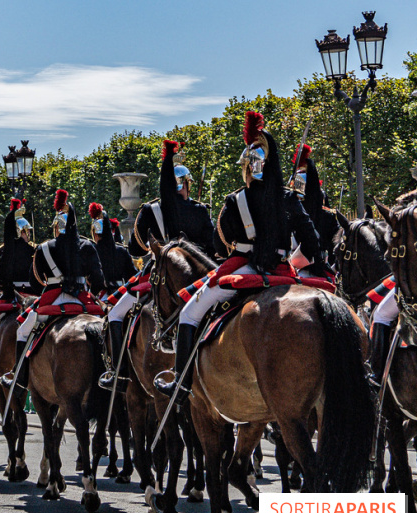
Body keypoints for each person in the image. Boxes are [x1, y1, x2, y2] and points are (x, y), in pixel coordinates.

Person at [155, 111, 323, 405]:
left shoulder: (236, 201)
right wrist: (288, 263)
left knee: (189, 314)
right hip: (285, 271)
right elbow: (312, 245)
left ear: (248, 168)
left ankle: (181, 385)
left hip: (244, 268)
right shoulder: (290, 198)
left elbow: (219, 247)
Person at [100, 141, 214, 392]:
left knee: (115, 314)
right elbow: (214, 249)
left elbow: (136, 250)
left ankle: (118, 374)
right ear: (187, 185)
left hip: (159, 274)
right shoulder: (201, 211)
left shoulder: (151, 210)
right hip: (198, 278)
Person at [1, 189, 106, 398]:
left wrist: (49, 289)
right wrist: (88, 292)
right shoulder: (87, 246)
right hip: (84, 299)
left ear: (56, 226)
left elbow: (35, 281)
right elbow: (99, 280)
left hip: (52, 298)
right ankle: (114, 372)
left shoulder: (44, 248)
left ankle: (20, 377)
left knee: (22, 332)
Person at [0, 199, 40, 383]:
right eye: (27, 232)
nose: (28, 235)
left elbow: (0, 279)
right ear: (23, 232)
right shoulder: (36, 251)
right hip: (35, 299)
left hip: (11, 300)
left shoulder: (2, 253)